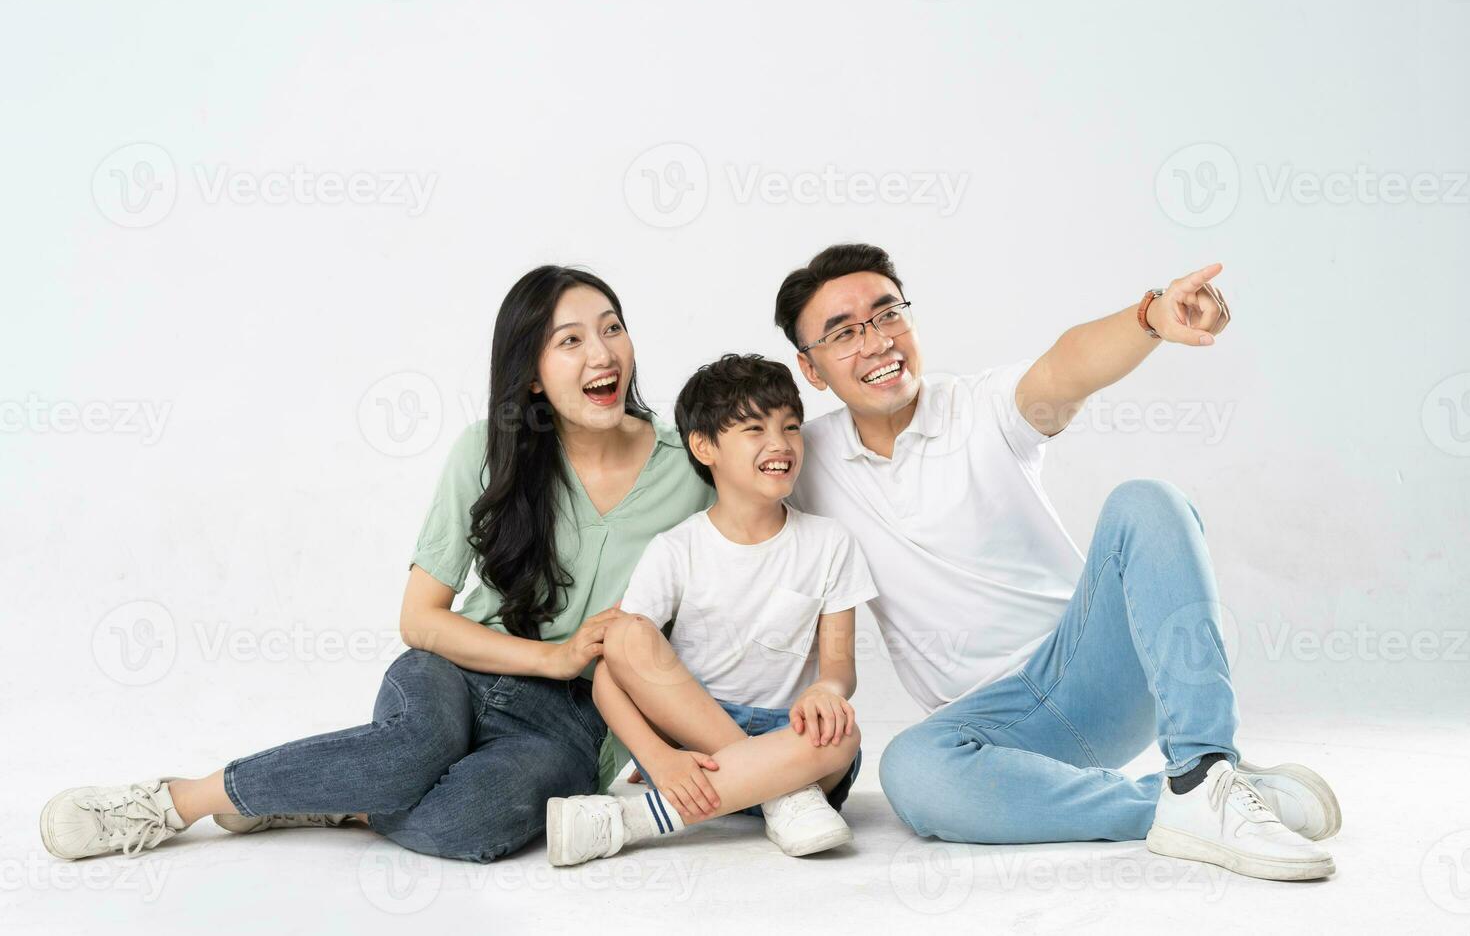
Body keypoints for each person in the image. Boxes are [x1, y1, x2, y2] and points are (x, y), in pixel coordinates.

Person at [40, 265, 714, 863]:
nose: (603, 353)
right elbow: (420, 620)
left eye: (612, 328)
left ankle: (339, 795)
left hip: (577, 721)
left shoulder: (688, 464)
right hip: (459, 673)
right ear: (532, 375)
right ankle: (178, 799)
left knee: (472, 821)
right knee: (411, 751)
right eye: (571, 340)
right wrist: (554, 654)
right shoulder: (487, 452)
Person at [774, 242, 1342, 882]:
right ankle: (1193, 802)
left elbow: (1068, 368)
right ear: (812, 369)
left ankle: (1204, 765)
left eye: (887, 315)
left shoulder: (979, 408)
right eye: (845, 333)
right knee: (911, 769)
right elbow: (714, 477)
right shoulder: (799, 460)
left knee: (1146, 503)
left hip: (1094, 673)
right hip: (993, 730)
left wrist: (1152, 316)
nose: (876, 342)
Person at [545, 354, 875, 867]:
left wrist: (826, 693)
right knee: (626, 634)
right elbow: (612, 673)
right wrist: (657, 756)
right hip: (688, 748)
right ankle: (784, 797)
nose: (780, 443)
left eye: (791, 426)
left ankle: (631, 822)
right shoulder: (677, 548)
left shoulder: (831, 543)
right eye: (754, 428)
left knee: (845, 735)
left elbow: (838, 669)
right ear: (704, 447)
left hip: (791, 741)